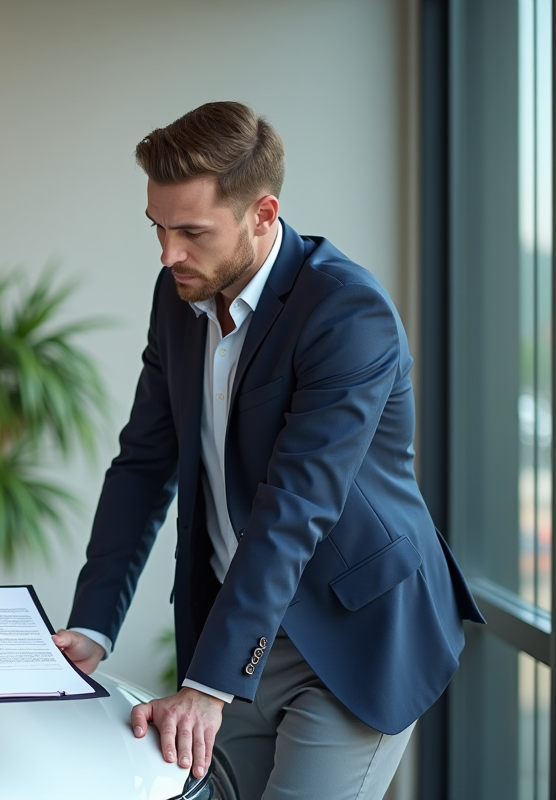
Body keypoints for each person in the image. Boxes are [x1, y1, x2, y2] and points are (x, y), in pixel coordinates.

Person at [51, 101, 483, 800]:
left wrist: (208, 685)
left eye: (192, 232)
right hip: (239, 624)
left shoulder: (347, 314)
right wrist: (93, 624)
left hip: (352, 636)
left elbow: (295, 506)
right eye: (158, 227)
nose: (167, 255)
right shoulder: (177, 295)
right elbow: (144, 463)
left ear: (262, 213)